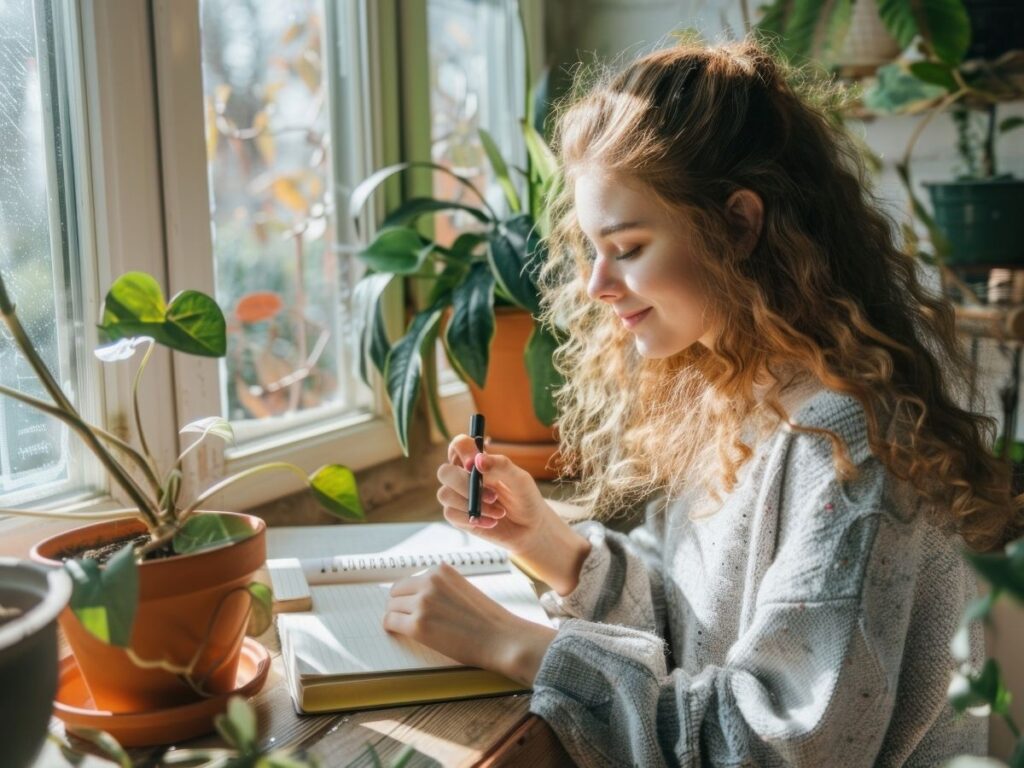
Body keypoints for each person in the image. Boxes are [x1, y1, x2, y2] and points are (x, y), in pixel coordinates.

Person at [381, 37, 1022, 767]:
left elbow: (768, 746)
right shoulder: (748, 391)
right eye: (592, 248)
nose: (596, 285)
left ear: (740, 225)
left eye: (626, 246)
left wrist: (518, 646)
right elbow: (700, 626)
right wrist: (549, 545)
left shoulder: (850, 450)